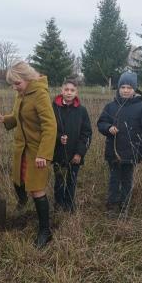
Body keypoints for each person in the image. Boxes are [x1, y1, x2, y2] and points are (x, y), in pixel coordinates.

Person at [0, 61, 57, 248]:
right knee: (18, 180)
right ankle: (23, 203)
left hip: (37, 151)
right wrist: (5, 118)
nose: (14, 87)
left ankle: (45, 231)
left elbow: (50, 126)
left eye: (17, 83)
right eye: (12, 84)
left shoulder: (40, 95)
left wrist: (43, 154)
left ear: (28, 79)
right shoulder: (22, 94)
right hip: (22, 149)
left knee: (37, 188)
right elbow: (19, 116)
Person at [97, 71, 142, 218]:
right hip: (113, 152)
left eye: (129, 87)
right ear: (118, 88)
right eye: (123, 87)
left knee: (127, 179)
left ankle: (124, 205)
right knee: (114, 178)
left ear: (135, 89)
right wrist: (108, 128)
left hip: (131, 152)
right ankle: (112, 205)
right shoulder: (111, 106)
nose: (126, 90)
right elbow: (101, 123)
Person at [52, 78, 92, 213]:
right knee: (59, 180)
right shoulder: (53, 108)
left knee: (72, 180)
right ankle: (58, 204)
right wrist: (58, 138)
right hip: (58, 153)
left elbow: (86, 134)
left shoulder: (81, 111)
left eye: (72, 90)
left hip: (74, 155)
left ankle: (69, 205)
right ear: (61, 90)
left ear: (76, 92)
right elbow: (47, 129)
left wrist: (79, 153)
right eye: (66, 90)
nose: (69, 93)